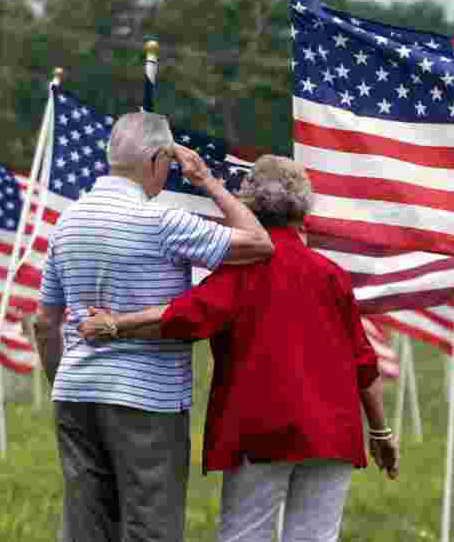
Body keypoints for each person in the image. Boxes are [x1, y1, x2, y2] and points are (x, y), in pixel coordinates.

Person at [77, 155, 400, 542]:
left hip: (260, 429)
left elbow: (182, 317)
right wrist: (380, 433)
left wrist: (116, 324)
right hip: (333, 431)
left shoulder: (241, 271)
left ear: (248, 205)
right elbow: (364, 364)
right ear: (304, 213)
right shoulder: (331, 275)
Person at [32, 111, 274, 542]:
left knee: (86, 529)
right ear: (160, 160)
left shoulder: (66, 223)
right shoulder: (162, 221)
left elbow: (45, 322)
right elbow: (259, 244)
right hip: (147, 399)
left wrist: (64, 379)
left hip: (75, 391)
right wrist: (206, 181)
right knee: (150, 529)